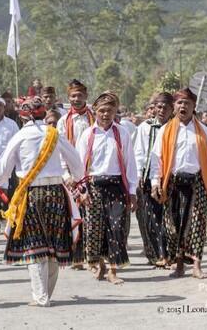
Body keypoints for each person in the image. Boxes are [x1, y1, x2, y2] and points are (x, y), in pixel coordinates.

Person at [0, 96, 84, 307]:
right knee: (54, 246)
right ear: (43, 114)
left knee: (35, 246)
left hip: (31, 195)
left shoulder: (21, 135)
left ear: (23, 117)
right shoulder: (55, 134)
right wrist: (76, 180)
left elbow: (3, 169)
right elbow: (77, 165)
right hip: (56, 195)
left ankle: (40, 297)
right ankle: (46, 294)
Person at [150, 88, 207, 279]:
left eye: (187, 103)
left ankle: (197, 265)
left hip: (197, 182)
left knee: (197, 224)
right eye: (180, 103)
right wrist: (155, 182)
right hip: (172, 183)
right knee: (174, 227)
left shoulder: (203, 131)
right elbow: (157, 159)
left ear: (193, 106)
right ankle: (179, 265)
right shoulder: (166, 130)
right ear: (174, 106)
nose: (183, 106)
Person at [76, 92, 138, 284]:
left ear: (115, 112)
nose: (105, 114)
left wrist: (133, 192)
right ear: (95, 111)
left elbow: (130, 163)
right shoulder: (87, 135)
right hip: (93, 187)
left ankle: (113, 269)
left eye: (109, 111)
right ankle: (101, 266)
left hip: (117, 186)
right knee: (96, 228)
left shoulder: (122, 133)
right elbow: (79, 165)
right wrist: (82, 191)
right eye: (102, 110)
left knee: (117, 227)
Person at [57, 79, 94, 270]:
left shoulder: (94, 117)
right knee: (73, 215)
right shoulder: (63, 121)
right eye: (73, 96)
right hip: (71, 175)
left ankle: (92, 256)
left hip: (91, 173)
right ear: (68, 98)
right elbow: (59, 149)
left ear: (86, 96)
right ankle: (76, 257)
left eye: (80, 95)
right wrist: (65, 174)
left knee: (92, 215)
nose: (76, 99)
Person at [134, 92, 174, 267]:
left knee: (170, 216)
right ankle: (158, 253)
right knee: (152, 217)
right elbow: (139, 153)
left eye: (166, 107)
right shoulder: (145, 127)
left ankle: (171, 254)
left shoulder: (176, 126)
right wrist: (139, 176)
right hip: (149, 176)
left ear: (172, 109)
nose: (162, 110)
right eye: (159, 107)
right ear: (154, 108)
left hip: (171, 177)